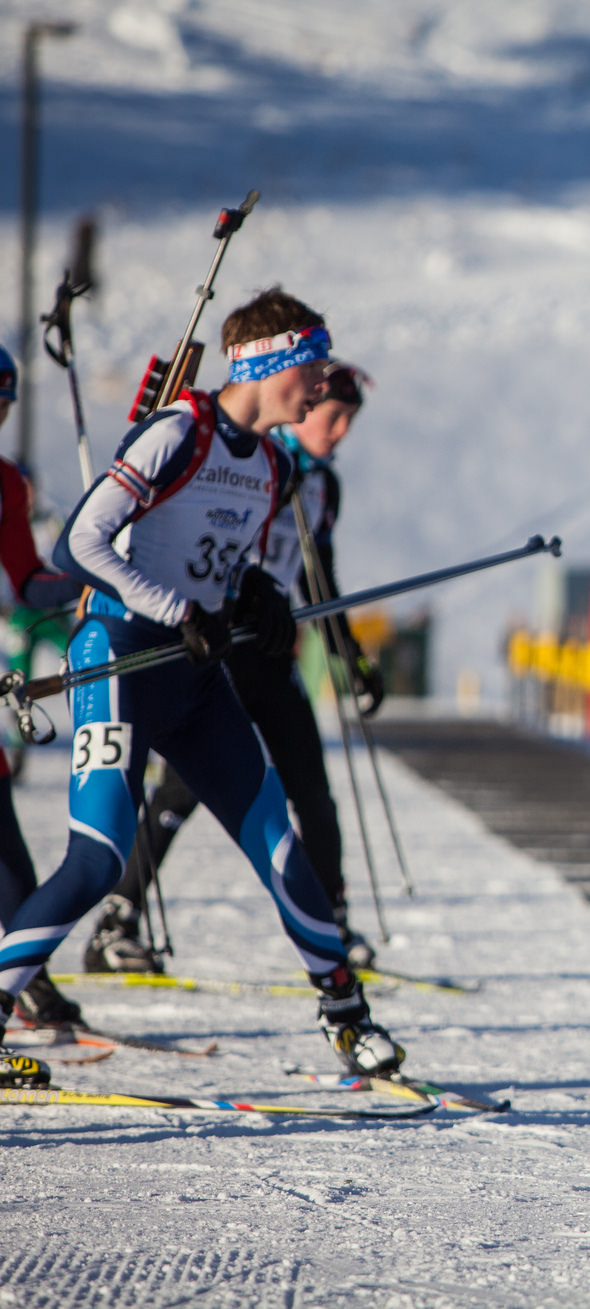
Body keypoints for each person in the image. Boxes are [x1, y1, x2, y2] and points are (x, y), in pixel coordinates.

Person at [0, 288, 404, 1082]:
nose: (322, 385)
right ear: (271, 364)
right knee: (98, 859)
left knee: (278, 843)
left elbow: (216, 562)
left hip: (194, 676)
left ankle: (347, 1016)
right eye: (314, 368)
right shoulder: (180, 432)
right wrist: (177, 608)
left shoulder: (273, 465)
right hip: (120, 659)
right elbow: (82, 544)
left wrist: (256, 593)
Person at [84, 361, 384, 975]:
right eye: (333, 416)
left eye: (350, 420)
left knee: (311, 790)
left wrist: (349, 657)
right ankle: (117, 918)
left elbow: (319, 575)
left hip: (271, 653)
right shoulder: (264, 462)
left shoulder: (323, 485)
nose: (340, 431)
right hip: (217, 643)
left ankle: (330, 920)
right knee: (180, 790)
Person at [0, 346, 88, 1031]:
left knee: (6, 845)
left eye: (3, 407)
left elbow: (28, 580)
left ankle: (26, 980)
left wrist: (88, 580)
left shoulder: (7, 484)